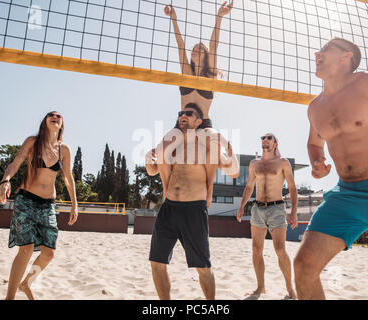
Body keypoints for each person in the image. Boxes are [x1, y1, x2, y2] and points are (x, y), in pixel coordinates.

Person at [293, 37, 368, 300]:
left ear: (347, 56)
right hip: (345, 195)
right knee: (303, 267)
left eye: (325, 49)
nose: (317, 52)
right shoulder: (315, 107)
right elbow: (314, 142)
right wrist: (316, 161)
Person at [146, 104, 235, 300]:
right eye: (180, 113)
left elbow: (233, 170)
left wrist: (227, 144)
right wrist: (148, 159)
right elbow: (152, 170)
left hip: (193, 209)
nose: (182, 116)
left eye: (188, 113)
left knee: (203, 267)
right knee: (156, 262)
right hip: (169, 208)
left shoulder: (207, 146)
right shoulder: (173, 145)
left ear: (198, 121)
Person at [155, 1, 237, 195]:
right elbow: (180, 45)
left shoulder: (210, 77)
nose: (195, 51)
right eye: (194, 50)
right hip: (182, 123)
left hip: (204, 124)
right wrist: (173, 19)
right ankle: (166, 192)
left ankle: (210, 191)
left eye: (200, 50)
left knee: (217, 152)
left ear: (206, 55)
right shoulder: (186, 73)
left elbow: (214, 45)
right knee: (159, 154)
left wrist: (219, 16)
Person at [0, 111, 78, 300]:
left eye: (59, 116)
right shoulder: (33, 142)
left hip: (48, 204)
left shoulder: (64, 150)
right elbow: (16, 162)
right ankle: (9, 297)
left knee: (49, 254)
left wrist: (74, 205)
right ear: (45, 121)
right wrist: (5, 180)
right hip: (26, 200)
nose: (55, 117)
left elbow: (68, 178)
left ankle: (26, 283)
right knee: (26, 249)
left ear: (62, 124)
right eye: (51, 115)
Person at [236, 133, 298, 300]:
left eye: (269, 137)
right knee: (256, 250)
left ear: (276, 143)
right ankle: (260, 287)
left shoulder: (283, 163)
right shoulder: (254, 163)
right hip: (257, 209)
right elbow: (249, 186)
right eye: (263, 137)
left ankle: (290, 288)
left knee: (279, 249)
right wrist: (242, 206)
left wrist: (293, 213)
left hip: (276, 208)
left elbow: (292, 188)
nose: (265, 139)